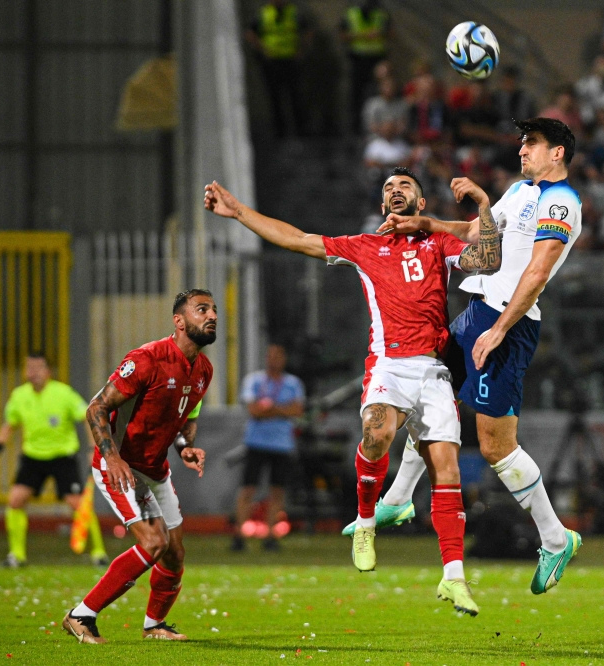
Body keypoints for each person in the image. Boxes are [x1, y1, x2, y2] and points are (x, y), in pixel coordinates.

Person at [205, 166, 501, 616]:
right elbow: (298, 239)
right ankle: (366, 523)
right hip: (389, 364)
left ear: (420, 205)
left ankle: (453, 578)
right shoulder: (365, 247)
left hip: (434, 371)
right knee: (376, 435)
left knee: (447, 471)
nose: (395, 191)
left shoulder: (438, 242)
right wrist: (240, 212)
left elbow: (490, 261)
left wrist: (482, 206)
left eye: (405, 186)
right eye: (388, 188)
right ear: (383, 205)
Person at [377, 117, 584, 595]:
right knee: (422, 381)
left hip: (507, 328)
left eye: (532, 143)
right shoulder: (518, 191)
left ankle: (556, 539)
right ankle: (400, 496)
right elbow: (476, 234)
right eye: (522, 142)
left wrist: (499, 327)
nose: (522, 150)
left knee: (495, 447)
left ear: (558, 153)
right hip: (478, 311)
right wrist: (424, 223)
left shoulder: (562, 202)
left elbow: (537, 271)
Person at [61, 290, 216, 644]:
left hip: (155, 467)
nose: (212, 316)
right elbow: (96, 408)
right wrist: (112, 457)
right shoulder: (146, 359)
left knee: (175, 554)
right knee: (153, 543)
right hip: (121, 465)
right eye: (202, 309)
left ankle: (154, 625)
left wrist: (185, 448)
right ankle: (81, 615)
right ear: (179, 321)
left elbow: (183, 420)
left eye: (214, 310)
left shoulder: (203, 371)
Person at [0, 353, 108, 568]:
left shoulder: (63, 393)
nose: (33, 372)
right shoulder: (19, 396)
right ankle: (17, 556)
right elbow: (8, 426)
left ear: (48, 371)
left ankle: (99, 553)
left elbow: (87, 417)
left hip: (62, 457)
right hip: (33, 458)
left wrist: (91, 448)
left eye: (38, 367)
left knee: (77, 504)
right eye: (29, 367)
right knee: (15, 500)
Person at [232, 344, 306, 552]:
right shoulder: (254, 380)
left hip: (282, 445)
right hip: (256, 443)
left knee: (277, 491)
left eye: (278, 356)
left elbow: (297, 410)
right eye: (271, 356)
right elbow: (254, 410)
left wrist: (270, 409)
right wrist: (282, 410)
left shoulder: (293, 383)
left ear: (284, 359)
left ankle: (271, 536)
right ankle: (239, 535)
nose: (274, 360)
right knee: (248, 489)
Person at [246, 0, 305, 138]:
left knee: (295, 96)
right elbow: (250, 33)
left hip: (290, 61)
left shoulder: (293, 13)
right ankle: (280, 132)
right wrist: (262, 49)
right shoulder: (263, 14)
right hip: (272, 63)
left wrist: (301, 49)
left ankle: (300, 130)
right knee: (275, 98)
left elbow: (306, 30)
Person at [342, 0, 390, 133]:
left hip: (377, 60)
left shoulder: (381, 13)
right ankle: (355, 129)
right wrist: (363, 36)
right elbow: (342, 34)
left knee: (377, 95)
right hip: (358, 60)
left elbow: (390, 32)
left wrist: (379, 34)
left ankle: (378, 128)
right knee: (356, 96)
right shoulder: (351, 13)